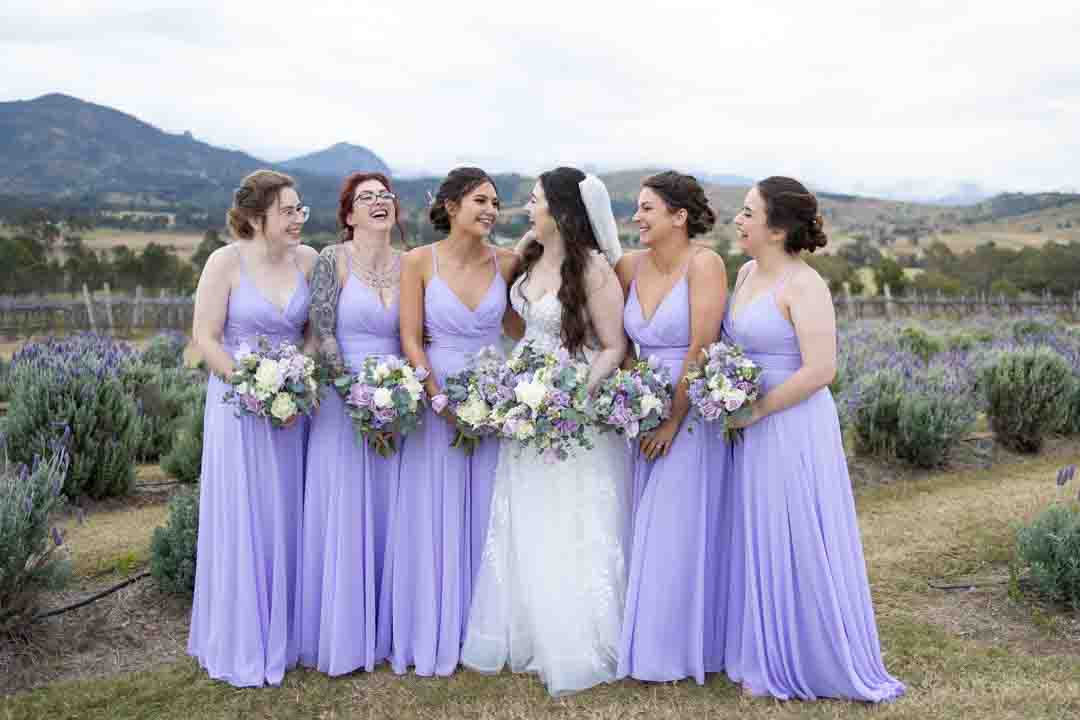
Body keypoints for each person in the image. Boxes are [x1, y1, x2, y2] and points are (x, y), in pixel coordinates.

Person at [722, 176, 905, 702]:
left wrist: (757, 411)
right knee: (758, 528)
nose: (739, 218)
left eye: (748, 211)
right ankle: (760, 646)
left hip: (793, 422)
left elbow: (821, 369)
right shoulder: (747, 273)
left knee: (797, 527)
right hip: (748, 422)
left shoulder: (805, 285)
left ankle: (808, 652)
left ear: (776, 229)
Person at [462, 168, 631, 696]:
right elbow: (516, 315)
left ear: (559, 210)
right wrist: (520, 387)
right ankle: (530, 627)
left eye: (533, 200)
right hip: (525, 409)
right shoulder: (532, 259)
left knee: (572, 515)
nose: (525, 207)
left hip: (570, 413)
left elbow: (612, 345)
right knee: (528, 514)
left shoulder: (594, 268)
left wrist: (576, 393)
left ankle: (580, 633)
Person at [188, 169, 318, 687]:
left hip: (293, 406)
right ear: (255, 217)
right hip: (238, 405)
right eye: (288, 210)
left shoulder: (310, 261)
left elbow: (315, 334)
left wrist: (294, 378)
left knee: (287, 510)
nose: (298, 218)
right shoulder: (224, 262)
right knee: (245, 512)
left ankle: (287, 634)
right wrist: (252, 386)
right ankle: (243, 634)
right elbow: (206, 337)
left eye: (300, 209)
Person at [388, 167, 518, 676]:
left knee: (489, 507)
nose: (489, 210)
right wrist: (436, 397)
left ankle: (484, 629)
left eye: (494, 203)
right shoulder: (418, 262)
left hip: (493, 398)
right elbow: (410, 339)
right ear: (449, 206)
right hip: (435, 398)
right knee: (436, 508)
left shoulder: (507, 263)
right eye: (480, 201)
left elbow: (524, 326)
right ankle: (435, 623)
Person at [614, 170, 729, 685]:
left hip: (687, 416)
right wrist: (626, 401)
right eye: (637, 208)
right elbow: (616, 346)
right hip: (638, 414)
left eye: (646, 209)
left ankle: (675, 648)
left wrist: (672, 420)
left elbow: (699, 348)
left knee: (676, 527)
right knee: (643, 526)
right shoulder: (627, 267)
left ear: (679, 217)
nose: (636, 217)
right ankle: (644, 637)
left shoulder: (705, 265)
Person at [297, 172, 404, 675]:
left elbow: (415, 336)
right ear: (348, 215)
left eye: (385, 196)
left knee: (390, 514)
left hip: (399, 406)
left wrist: (399, 402)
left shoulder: (411, 266)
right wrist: (357, 401)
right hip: (344, 408)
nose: (379, 203)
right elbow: (323, 334)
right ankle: (344, 633)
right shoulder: (330, 260)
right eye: (368, 198)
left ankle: (390, 628)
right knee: (346, 513)